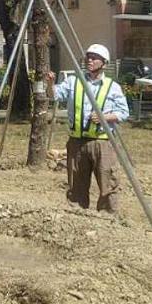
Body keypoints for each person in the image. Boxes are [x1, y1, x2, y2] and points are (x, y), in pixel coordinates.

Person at [52, 44, 129, 213]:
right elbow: (55, 95)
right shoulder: (73, 81)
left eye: (94, 58)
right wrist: (49, 83)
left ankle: (108, 217)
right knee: (76, 185)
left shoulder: (112, 87)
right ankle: (77, 214)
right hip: (77, 143)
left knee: (108, 183)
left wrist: (104, 117)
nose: (90, 60)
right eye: (88, 57)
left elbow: (124, 113)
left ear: (104, 63)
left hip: (102, 143)